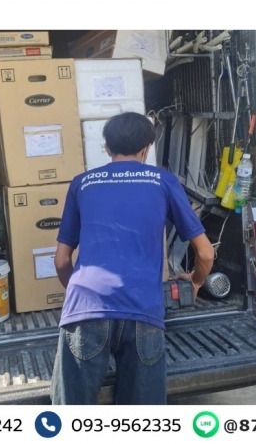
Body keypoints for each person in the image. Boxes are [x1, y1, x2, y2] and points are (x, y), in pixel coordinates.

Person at [51, 112, 214, 405]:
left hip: (86, 307)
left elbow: (62, 261)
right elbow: (205, 252)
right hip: (143, 311)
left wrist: (82, 294)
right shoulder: (162, 181)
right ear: (146, 148)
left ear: (107, 147)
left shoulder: (82, 183)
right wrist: (196, 282)